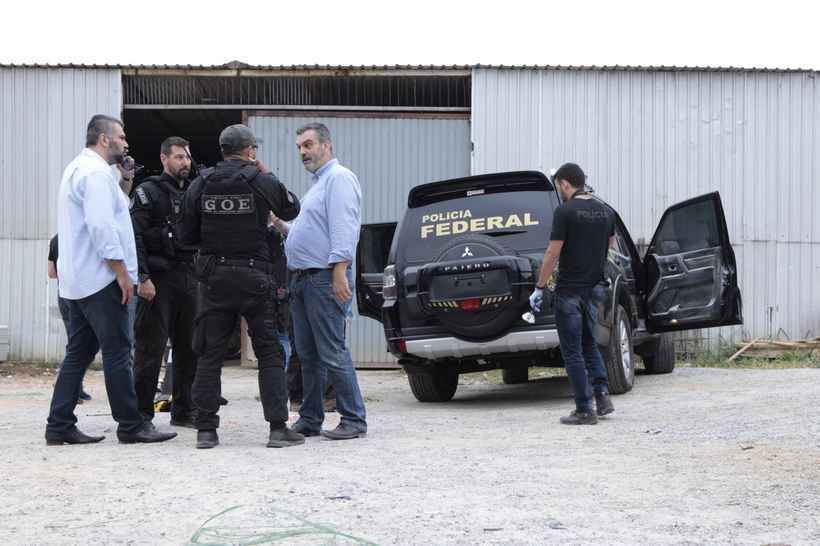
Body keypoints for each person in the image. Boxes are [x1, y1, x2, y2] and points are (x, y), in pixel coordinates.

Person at [45, 114, 177, 445]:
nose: (126, 142)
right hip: (101, 279)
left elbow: (111, 212)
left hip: (77, 281)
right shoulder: (94, 174)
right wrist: (122, 273)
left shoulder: (80, 169)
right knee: (119, 352)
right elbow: (102, 227)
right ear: (105, 139)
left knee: (78, 353)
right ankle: (131, 425)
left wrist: (124, 180)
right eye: (121, 137)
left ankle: (59, 424)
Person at [180, 124, 302, 449]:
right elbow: (291, 208)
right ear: (250, 151)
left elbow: (186, 236)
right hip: (255, 279)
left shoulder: (200, 184)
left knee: (209, 355)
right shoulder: (261, 181)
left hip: (214, 281)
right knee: (270, 353)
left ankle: (206, 431)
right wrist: (268, 173)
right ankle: (278, 429)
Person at [281, 122, 367, 440]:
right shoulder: (317, 184)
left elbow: (345, 227)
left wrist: (340, 271)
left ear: (326, 146)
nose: (303, 152)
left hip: (323, 278)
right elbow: (310, 232)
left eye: (308, 144)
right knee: (308, 355)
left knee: (332, 351)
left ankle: (354, 419)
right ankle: (311, 417)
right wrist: (280, 225)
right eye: (299, 147)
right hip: (303, 280)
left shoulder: (339, 179)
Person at [530, 163, 615, 425]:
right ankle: (602, 396)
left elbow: (552, 253)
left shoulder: (565, 212)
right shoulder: (606, 211)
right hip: (595, 289)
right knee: (590, 343)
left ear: (565, 183)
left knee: (572, 350)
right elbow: (609, 246)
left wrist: (540, 287)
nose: (560, 192)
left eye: (559, 187)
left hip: (570, 292)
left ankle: (583, 409)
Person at [130, 137, 199, 429]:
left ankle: (184, 411)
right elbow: (133, 238)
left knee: (190, 348)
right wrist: (142, 277)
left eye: (187, 157)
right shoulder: (148, 192)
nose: (185, 162)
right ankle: (141, 415)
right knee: (150, 349)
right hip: (158, 281)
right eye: (179, 157)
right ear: (164, 159)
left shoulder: (195, 191)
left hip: (189, 277)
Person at [268, 213, 336, 413]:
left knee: (322, 345)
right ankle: (298, 396)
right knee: (299, 346)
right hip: (289, 290)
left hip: (304, 285)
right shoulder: (275, 235)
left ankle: (327, 396)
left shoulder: (316, 230)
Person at [48, 235, 92, 403]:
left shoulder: (55, 240)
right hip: (82, 294)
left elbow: (51, 273)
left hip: (63, 294)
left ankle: (75, 387)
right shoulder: (82, 237)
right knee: (82, 344)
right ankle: (67, 386)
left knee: (75, 342)